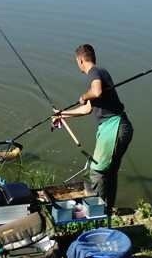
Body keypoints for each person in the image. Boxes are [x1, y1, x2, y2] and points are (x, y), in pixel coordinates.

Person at [52, 44, 134, 210]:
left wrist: (84, 95)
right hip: (118, 126)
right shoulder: (101, 74)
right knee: (109, 173)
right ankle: (108, 209)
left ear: (80, 60)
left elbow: (95, 92)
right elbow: (87, 109)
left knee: (97, 171)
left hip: (113, 127)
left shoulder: (95, 72)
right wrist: (63, 114)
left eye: (77, 62)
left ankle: (99, 213)